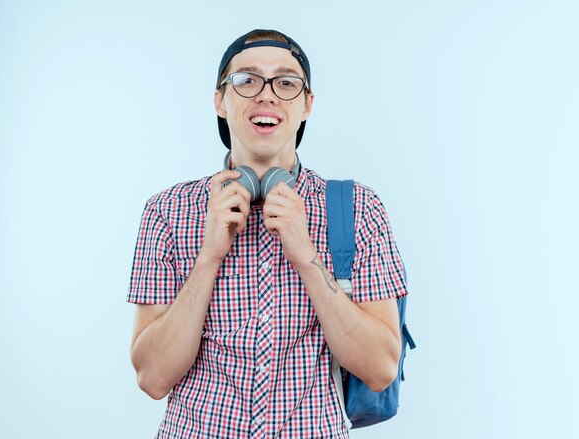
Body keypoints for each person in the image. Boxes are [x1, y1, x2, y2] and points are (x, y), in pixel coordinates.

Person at [127, 29, 409, 439]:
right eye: (246, 80)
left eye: (286, 82)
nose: (267, 95)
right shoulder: (167, 211)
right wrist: (208, 258)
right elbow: (152, 378)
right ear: (220, 101)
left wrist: (307, 257)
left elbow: (380, 369)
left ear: (307, 105)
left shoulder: (358, 208)